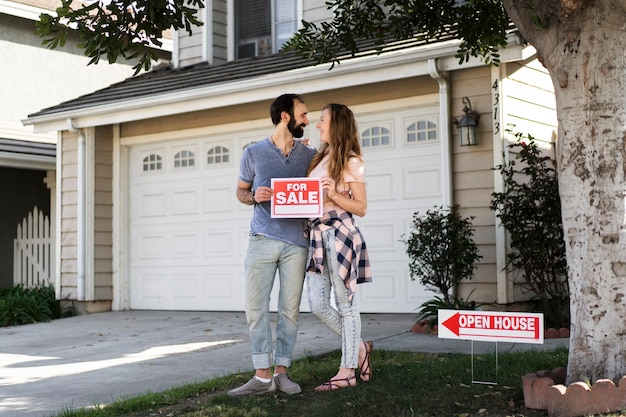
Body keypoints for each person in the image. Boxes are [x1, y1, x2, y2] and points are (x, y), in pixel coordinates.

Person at [228, 93, 317, 397]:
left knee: (289, 310)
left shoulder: (309, 154)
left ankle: (282, 372)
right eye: (303, 115)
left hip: (296, 243)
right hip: (262, 239)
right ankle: (262, 375)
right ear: (285, 116)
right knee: (255, 308)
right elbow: (240, 192)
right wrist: (255, 196)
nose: (307, 120)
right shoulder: (253, 153)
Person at [305, 103, 373, 391]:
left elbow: (361, 207)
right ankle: (359, 349)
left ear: (337, 125)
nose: (318, 125)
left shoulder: (351, 161)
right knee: (318, 305)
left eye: (322, 120)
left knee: (346, 307)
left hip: (339, 235)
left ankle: (346, 373)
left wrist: (333, 194)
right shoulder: (321, 158)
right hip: (317, 237)